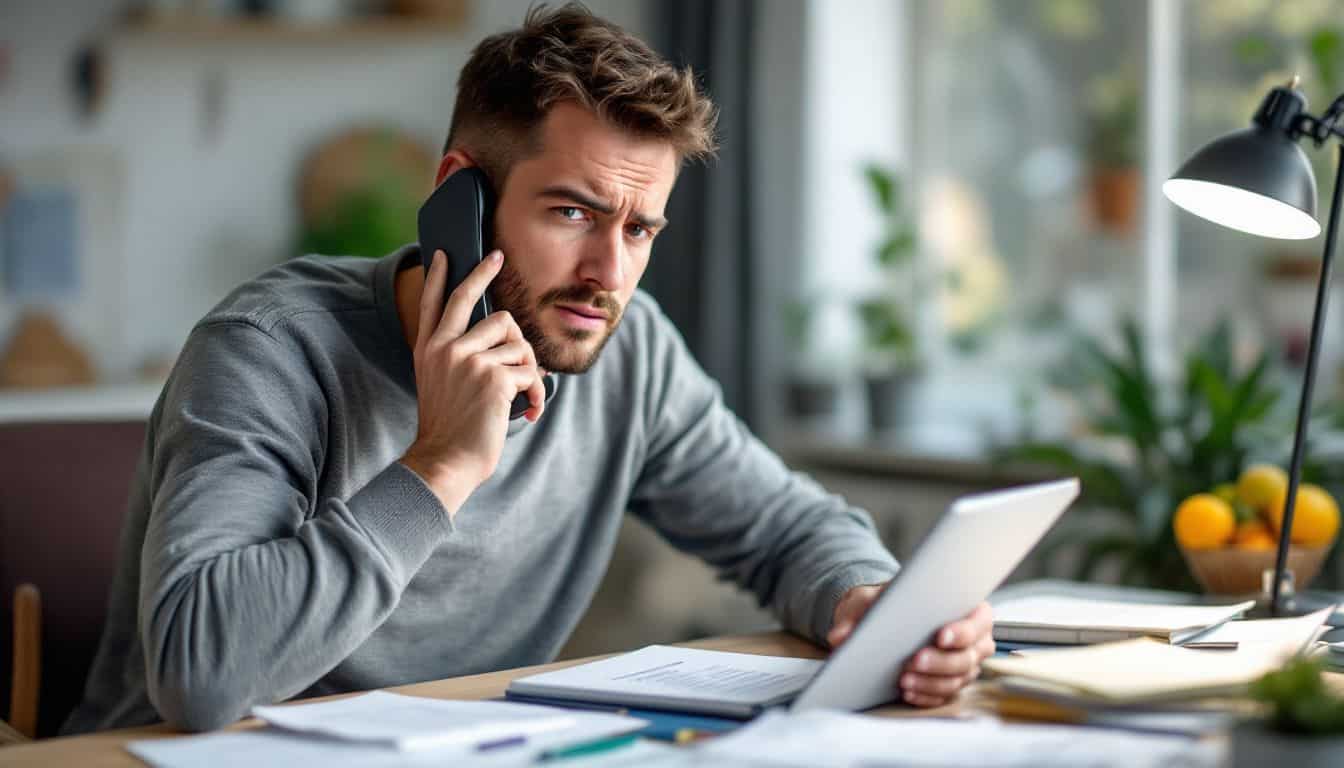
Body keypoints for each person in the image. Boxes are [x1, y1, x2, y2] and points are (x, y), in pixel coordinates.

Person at [63, 4, 993, 735]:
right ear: (459, 195)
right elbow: (199, 675)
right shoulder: (271, 348)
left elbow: (786, 527)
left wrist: (868, 598)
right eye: (573, 214)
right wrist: (438, 467)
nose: (609, 275)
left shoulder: (630, 352)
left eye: (639, 229)